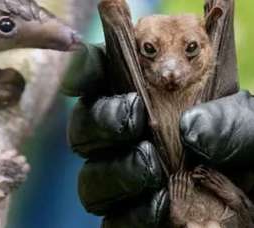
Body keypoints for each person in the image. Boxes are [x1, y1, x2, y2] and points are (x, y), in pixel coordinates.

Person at [62, 44, 254, 227]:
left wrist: (177, 210)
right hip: (214, 156)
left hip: (162, 150)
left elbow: (177, 219)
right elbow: (244, 212)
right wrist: (231, 193)